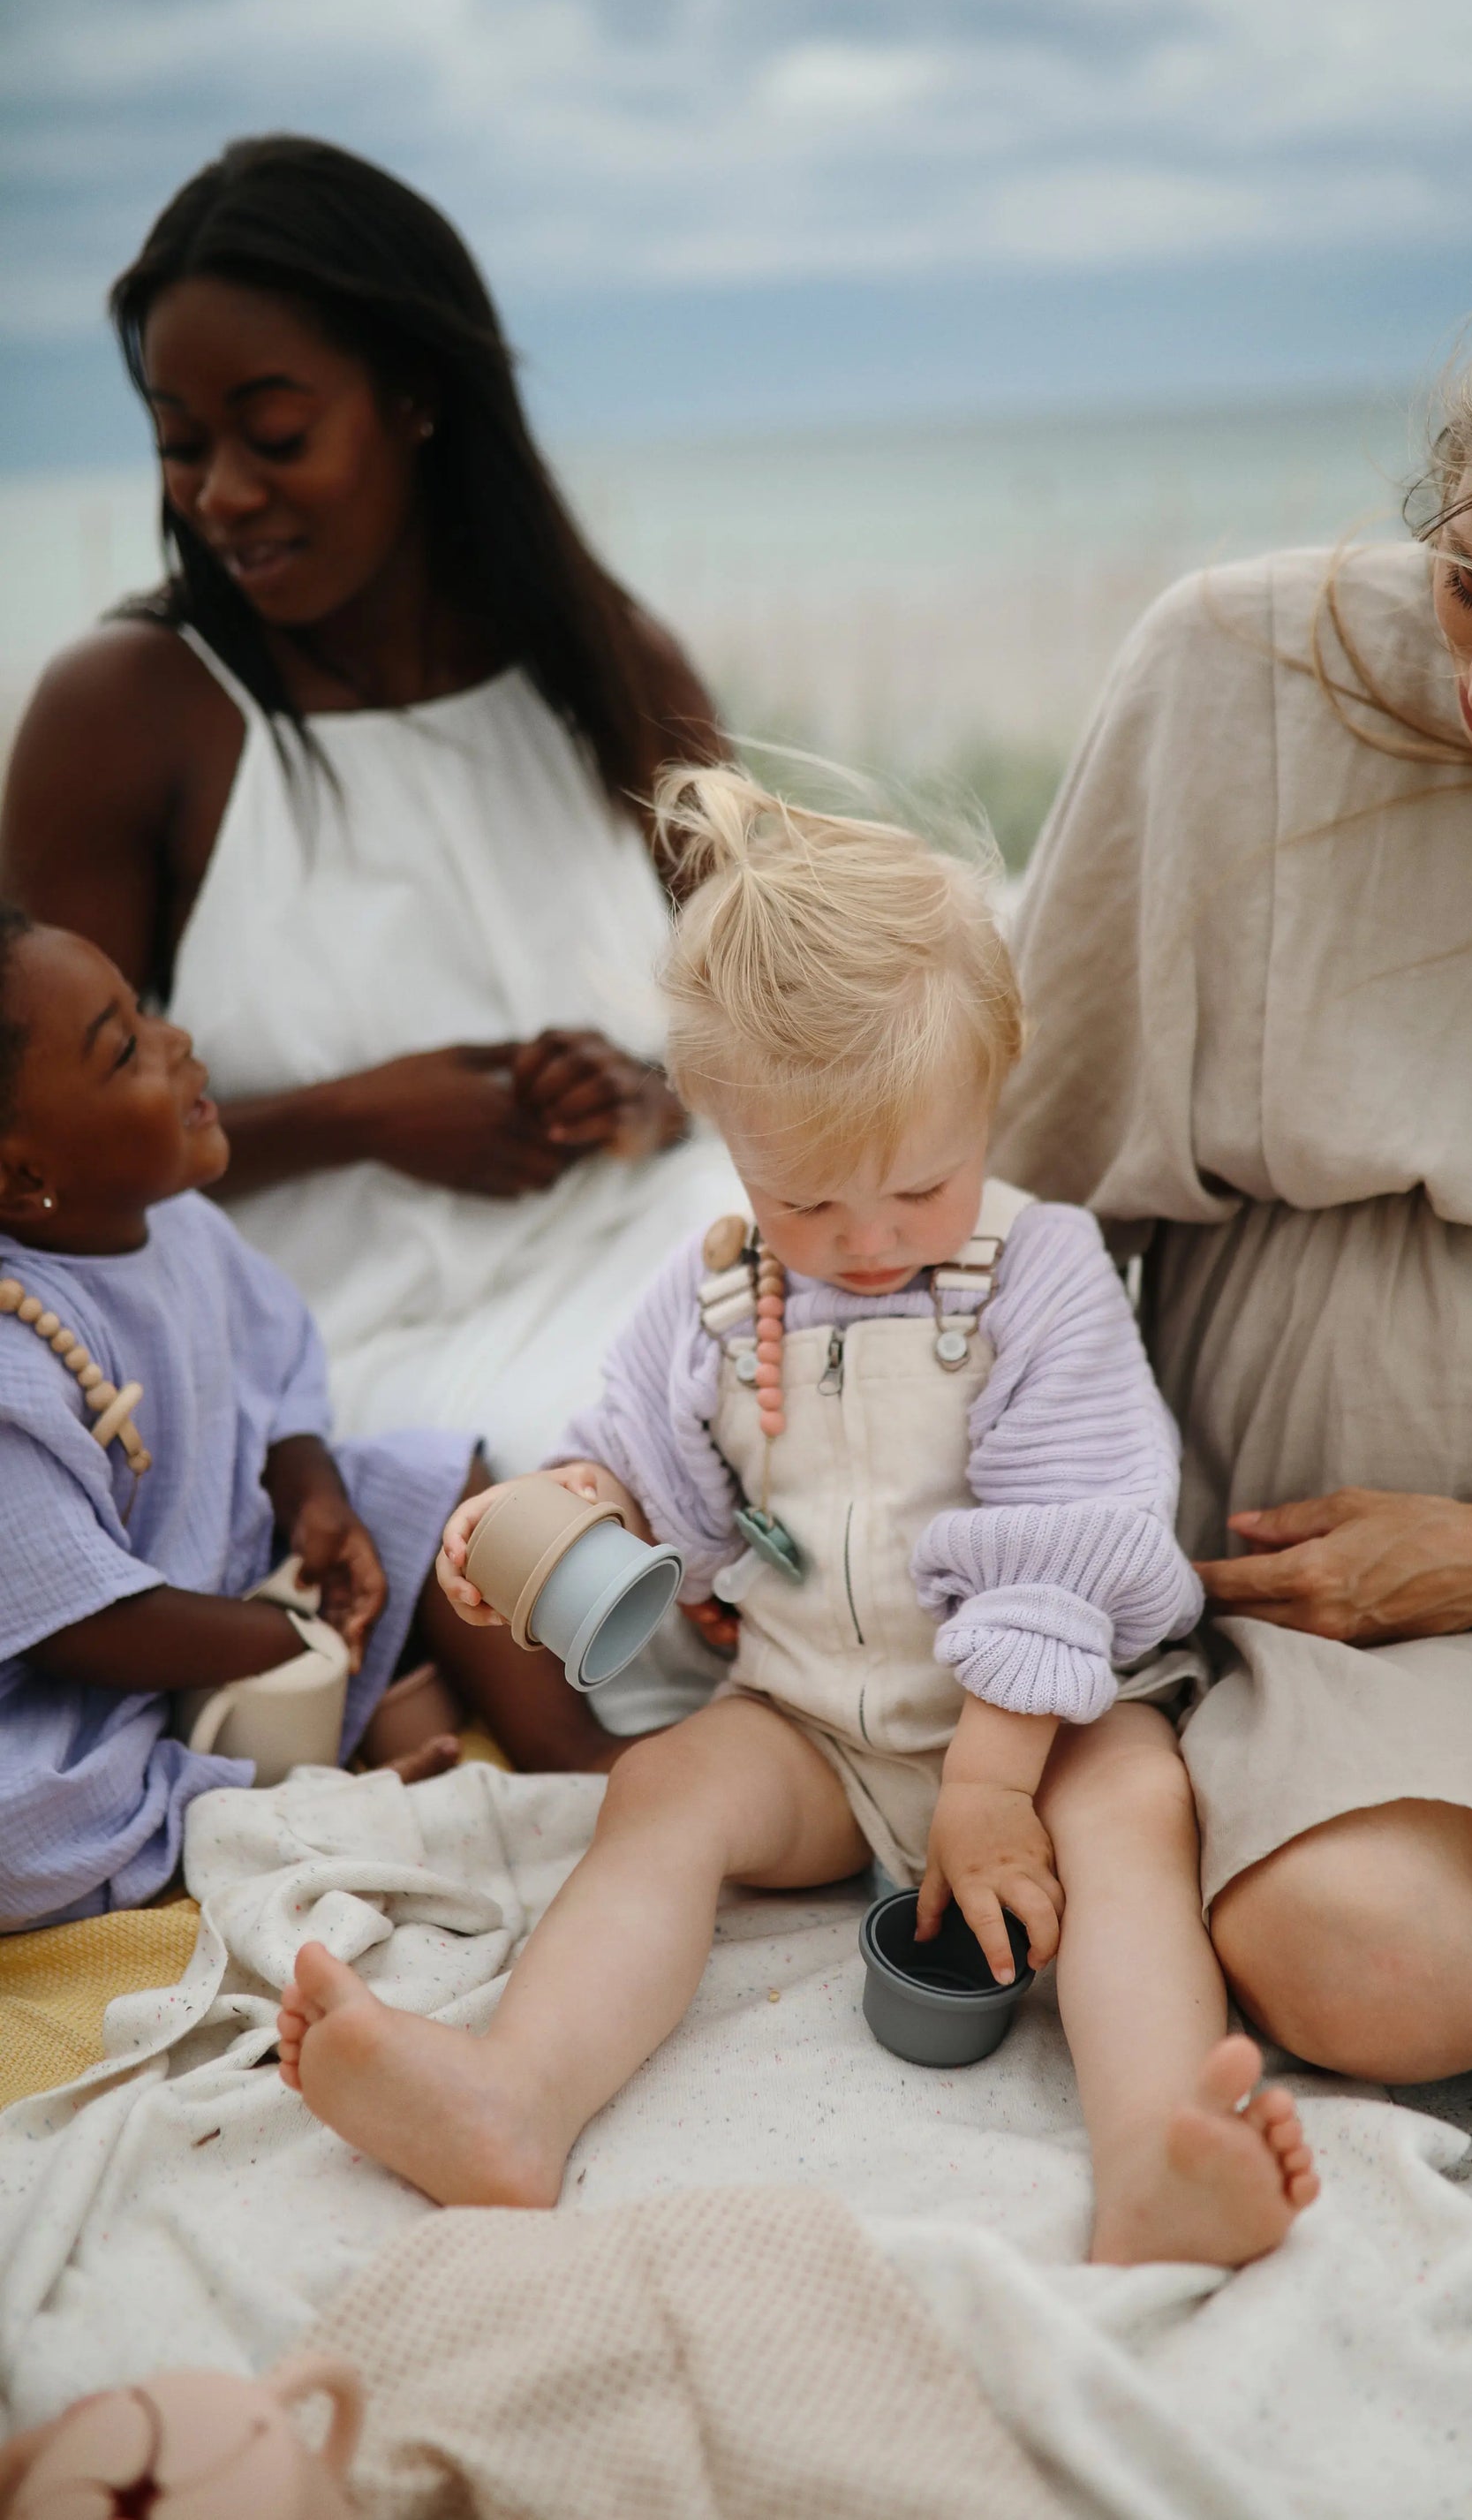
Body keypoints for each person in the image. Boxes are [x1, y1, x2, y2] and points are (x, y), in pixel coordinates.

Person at [276, 768, 1321, 2266]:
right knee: (665, 1790)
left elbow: (1067, 1535)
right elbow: (632, 1461)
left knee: (1133, 1815)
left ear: (995, 1090)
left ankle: (1160, 2149)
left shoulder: (1039, 1273)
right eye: (807, 1199)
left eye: (917, 1182)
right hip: (815, 1721)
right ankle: (514, 2094)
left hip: (1044, 1712)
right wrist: (558, 1511)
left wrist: (990, 1780)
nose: (872, 1237)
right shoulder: (710, 1289)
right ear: (727, 1144)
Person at [993, 202, 1472, 2082]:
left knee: (1366, 1962)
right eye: (1471, 587)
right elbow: (1011, 1175)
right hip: (1189, 1521)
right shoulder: (1233, 672)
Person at [0, 135, 743, 1563]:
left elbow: (781, 1037)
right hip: (333, 1360)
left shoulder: (605, 666)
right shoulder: (129, 715)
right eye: (179, 440)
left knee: (918, 1345)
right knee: (601, 1495)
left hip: (666, 1248)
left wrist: (642, 1098)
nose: (219, 492)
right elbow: (32, 1165)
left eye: (272, 434)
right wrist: (366, 1119)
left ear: (414, 399)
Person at [0, 909, 617, 1934]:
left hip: (249, 1563)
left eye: (144, 1013)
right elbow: (78, 1620)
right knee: (24, 1829)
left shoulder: (181, 1225)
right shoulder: (17, 1356)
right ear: (22, 1175)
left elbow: (273, 1375)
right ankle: (300, 1813)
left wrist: (316, 1496)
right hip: (108, 1681)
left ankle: (580, 1749)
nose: (176, 1042)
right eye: (123, 1052)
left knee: (432, 1479)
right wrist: (275, 1637)